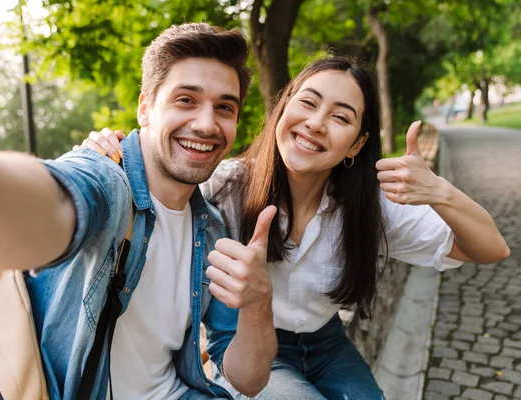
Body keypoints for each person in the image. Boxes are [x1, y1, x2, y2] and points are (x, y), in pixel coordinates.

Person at [81, 56, 510, 399]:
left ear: (357, 144)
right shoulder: (226, 184)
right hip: (245, 346)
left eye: (341, 117)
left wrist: (439, 192)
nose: (316, 123)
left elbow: (490, 248)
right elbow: (158, 172)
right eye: (307, 102)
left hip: (328, 346)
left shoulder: (370, 207)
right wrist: (105, 150)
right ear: (283, 107)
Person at [0, 6, 278, 400]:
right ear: (145, 108)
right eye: (186, 100)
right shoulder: (108, 178)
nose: (207, 124)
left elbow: (249, 380)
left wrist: (259, 303)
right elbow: (54, 205)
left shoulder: (210, 229)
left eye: (224, 107)